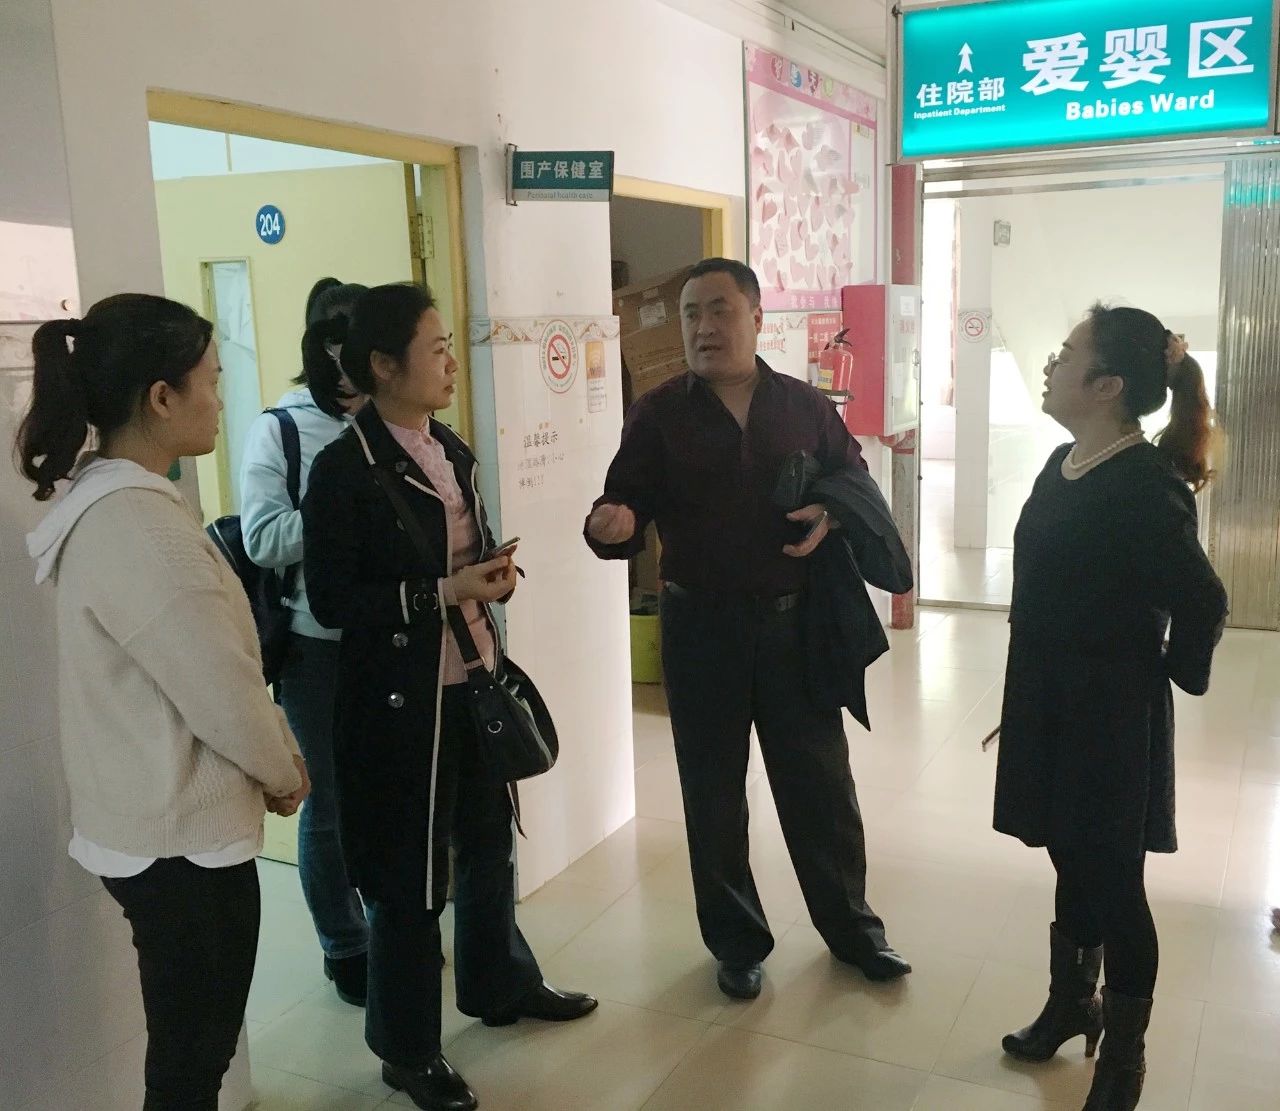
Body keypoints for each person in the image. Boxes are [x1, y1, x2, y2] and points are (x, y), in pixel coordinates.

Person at [302, 283, 596, 1111]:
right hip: (402, 708)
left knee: (490, 843)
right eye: (434, 348)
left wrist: (488, 576)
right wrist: (442, 590)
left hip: (471, 681)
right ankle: (406, 1050)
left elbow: (457, 555)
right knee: (409, 880)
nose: (449, 362)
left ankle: (501, 982)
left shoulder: (449, 447)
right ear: (384, 364)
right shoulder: (344, 469)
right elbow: (332, 599)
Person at [585, 257, 911, 1001]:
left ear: (757, 318)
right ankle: (736, 941)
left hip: (795, 626)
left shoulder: (803, 405)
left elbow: (852, 472)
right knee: (712, 792)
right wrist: (613, 523)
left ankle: (854, 929)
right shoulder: (658, 413)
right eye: (691, 312)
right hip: (700, 627)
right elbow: (622, 498)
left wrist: (832, 510)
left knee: (821, 785)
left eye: (719, 310)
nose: (703, 326)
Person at [18, 294, 310, 1111]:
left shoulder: (114, 504)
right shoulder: (139, 525)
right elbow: (220, 688)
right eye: (210, 380)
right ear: (161, 397)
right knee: (190, 1064)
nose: (219, 398)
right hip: (182, 845)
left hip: (154, 827)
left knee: (190, 1056)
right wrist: (282, 768)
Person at [994, 306, 1228, 1111]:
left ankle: (1124, 1060)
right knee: (1069, 853)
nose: (1051, 364)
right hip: (1047, 701)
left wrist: (1159, 676)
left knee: (1114, 883)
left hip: (1108, 717)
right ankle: (1071, 1003)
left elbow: (1203, 598)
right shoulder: (1060, 463)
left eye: (1066, 354)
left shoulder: (1145, 486)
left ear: (1108, 385)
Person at [240, 277, 371, 1005]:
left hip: (389, 634)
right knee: (328, 802)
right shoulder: (282, 428)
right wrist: (336, 511)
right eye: (338, 352)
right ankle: (345, 945)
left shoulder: (392, 419)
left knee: (384, 789)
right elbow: (262, 538)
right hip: (314, 643)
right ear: (319, 350)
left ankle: (390, 925)